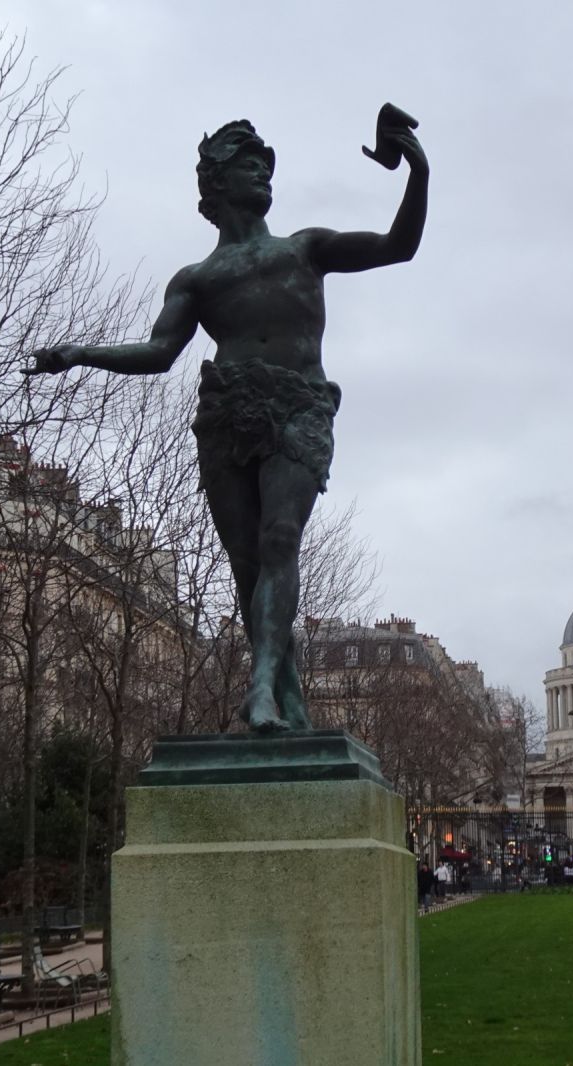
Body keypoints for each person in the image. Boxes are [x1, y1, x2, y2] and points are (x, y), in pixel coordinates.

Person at [25, 112, 428, 733]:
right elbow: (158, 354)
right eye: (249, 167)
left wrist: (418, 171)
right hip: (225, 417)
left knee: (278, 542)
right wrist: (81, 353)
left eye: (267, 167)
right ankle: (288, 701)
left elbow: (397, 246)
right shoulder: (198, 279)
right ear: (216, 186)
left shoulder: (306, 248)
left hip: (298, 408)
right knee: (247, 566)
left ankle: (262, 687)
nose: (263, 176)